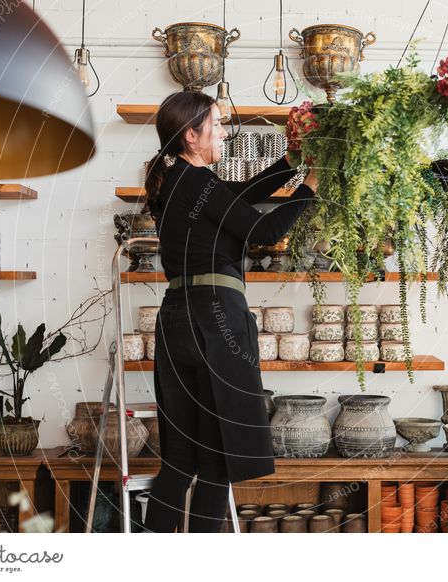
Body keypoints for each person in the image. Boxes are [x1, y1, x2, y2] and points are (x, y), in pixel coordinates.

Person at [141, 91, 318, 533]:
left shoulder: (180, 181)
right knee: (218, 463)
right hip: (214, 325)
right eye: (216, 125)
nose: (224, 132)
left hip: (177, 321)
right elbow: (263, 230)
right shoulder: (195, 183)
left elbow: (238, 195)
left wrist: (291, 159)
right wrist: (311, 185)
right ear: (191, 135)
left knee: (180, 463)